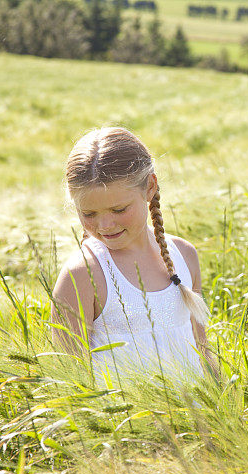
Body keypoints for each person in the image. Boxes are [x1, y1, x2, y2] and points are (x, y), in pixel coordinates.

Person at [51, 127, 218, 384]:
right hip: (124, 423)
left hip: (196, 420)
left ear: (150, 187)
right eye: (89, 214)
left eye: (118, 209)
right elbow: (70, 382)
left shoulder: (183, 255)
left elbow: (203, 353)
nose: (105, 225)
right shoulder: (82, 276)